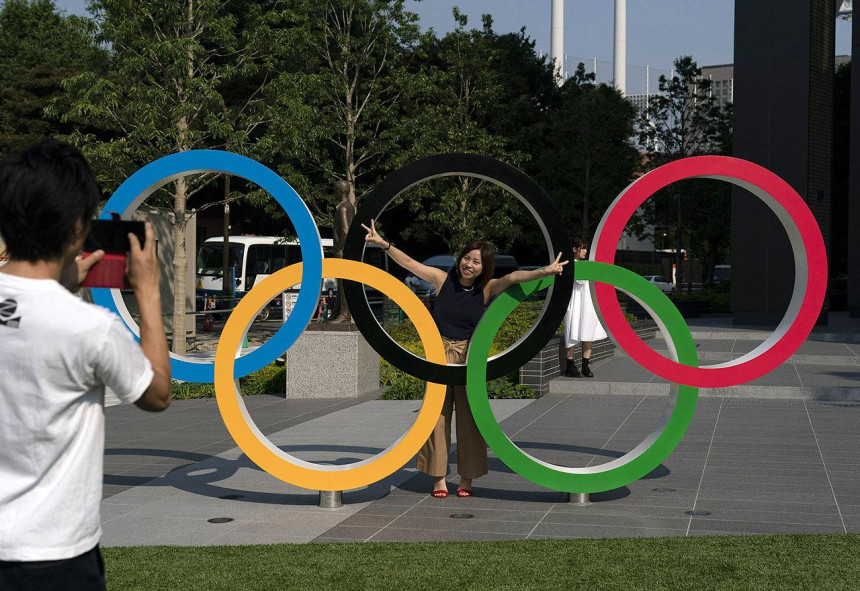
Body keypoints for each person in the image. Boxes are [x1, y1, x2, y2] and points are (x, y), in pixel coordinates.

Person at [0, 139, 172, 591]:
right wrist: (149, 292)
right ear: (78, 226)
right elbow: (156, 394)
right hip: (52, 557)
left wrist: (60, 285)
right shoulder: (88, 327)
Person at [362, 220, 567, 498]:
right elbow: (410, 263)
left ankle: (467, 479)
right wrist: (383, 243)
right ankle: (438, 478)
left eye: (477, 262)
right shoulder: (442, 280)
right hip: (438, 353)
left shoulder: (487, 289)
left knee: (471, 419)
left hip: (470, 356)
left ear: (485, 268)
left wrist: (546, 271)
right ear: (460, 259)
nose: (470, 265)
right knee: (436, 417)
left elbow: (515, 278)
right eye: (467, 258)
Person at [562, 237, 607, 378]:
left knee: (588, 332)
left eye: (586, 248)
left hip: (587, 302)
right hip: (574, 301)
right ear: (575, 249)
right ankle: (570, 365)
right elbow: (579, 280)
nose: (585, 251)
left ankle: (585, 366)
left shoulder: (586, 264)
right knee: (571, 331)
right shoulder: (569, 264)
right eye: (583, 248)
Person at [329, 179, 355, 323]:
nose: (333, 192)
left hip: (342, 252)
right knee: (340, 283)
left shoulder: (343, 208)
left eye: (334, 190)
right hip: (346, 251)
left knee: (343, 283)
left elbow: (345, 231)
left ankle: (344, 314)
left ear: (340, 192)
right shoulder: (350, 206)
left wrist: (337, 248)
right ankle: (337, 312)